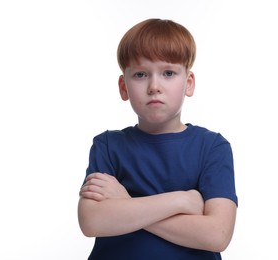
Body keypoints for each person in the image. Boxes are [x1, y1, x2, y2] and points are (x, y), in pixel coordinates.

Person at [78, 18, 238, 260]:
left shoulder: (212, 147)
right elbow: (92, 221)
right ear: (123, 87)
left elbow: (217, 234)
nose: (154, 86)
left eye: (168, 73)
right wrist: (182, 201)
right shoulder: (108, 146)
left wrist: (126, 203)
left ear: (189, 83)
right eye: (141, 74)